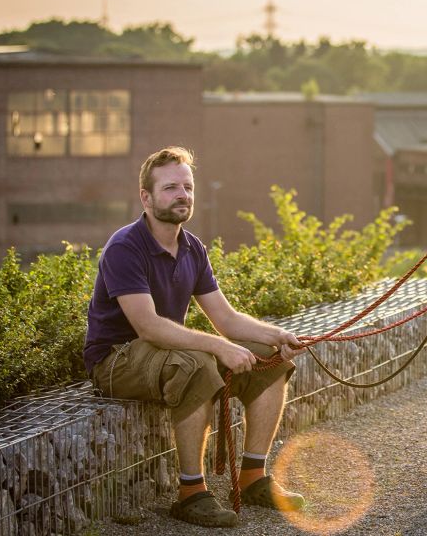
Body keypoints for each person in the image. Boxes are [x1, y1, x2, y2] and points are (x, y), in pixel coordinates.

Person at [84, 146, 305, 528]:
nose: (182, 195)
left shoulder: (192, 247)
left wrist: (279, 335)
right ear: (146, 197)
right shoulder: (125, 246)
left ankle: (253, 477)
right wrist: (219, 346)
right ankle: (190, 494)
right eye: (170, 188)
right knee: (198, 362)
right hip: (117, 359)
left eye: (187, 187)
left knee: (270, 357)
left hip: (162, 353)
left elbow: (226, 319)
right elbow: (148, 326)